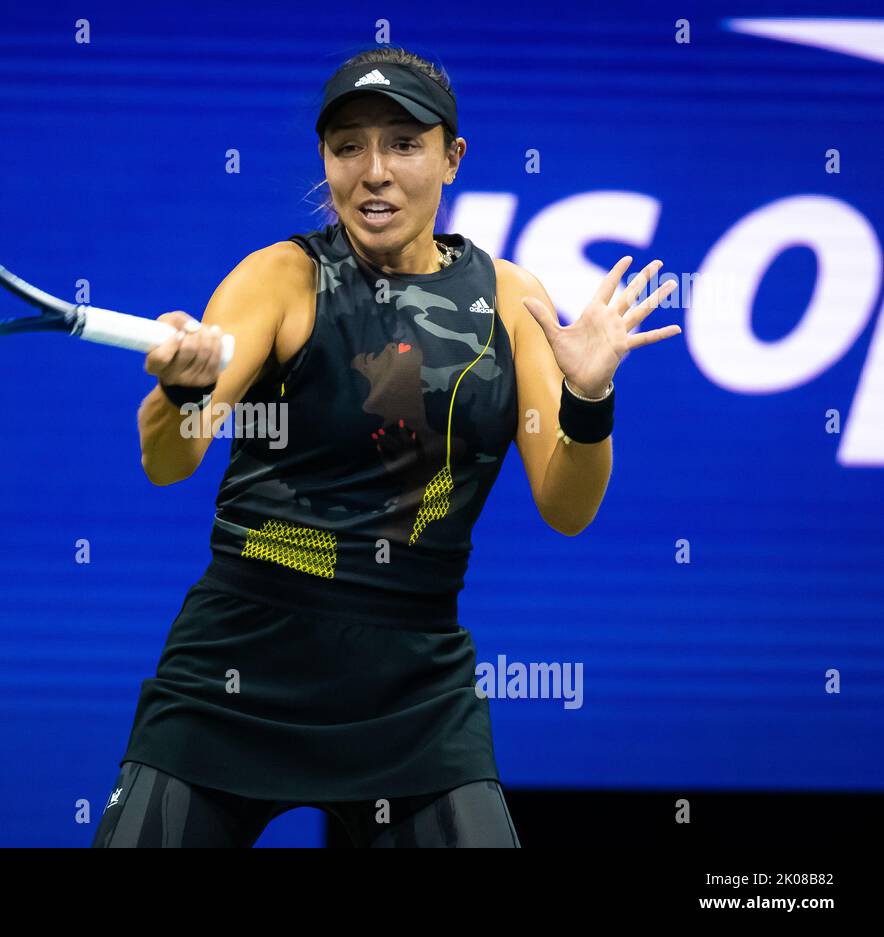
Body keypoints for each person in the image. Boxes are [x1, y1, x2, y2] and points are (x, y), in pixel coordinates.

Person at [92, 46, 680, 848]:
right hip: (233, 672)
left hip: (415, 690)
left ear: (451, 157)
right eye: (348, 147)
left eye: (403, 143)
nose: (374, 171)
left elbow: (568, 507)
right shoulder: (278, 280)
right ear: (326, 162)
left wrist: (589, 397)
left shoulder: (512, 299)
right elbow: (169, 459)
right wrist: (182, 389)